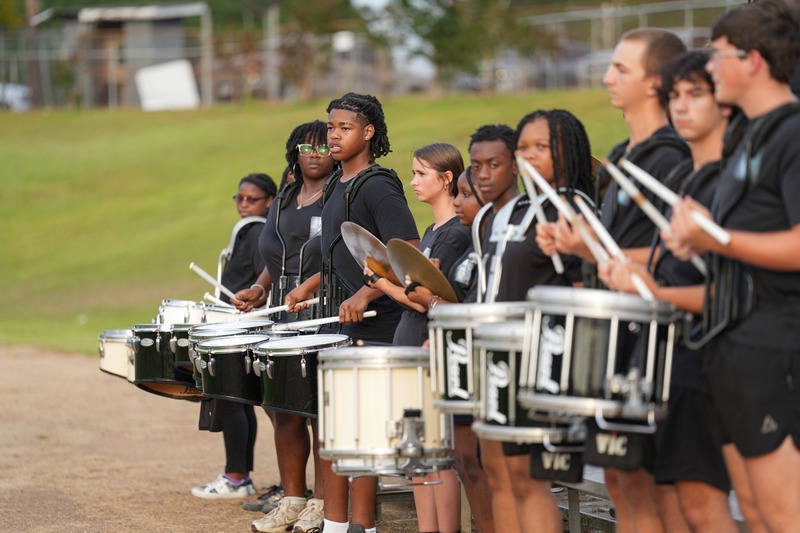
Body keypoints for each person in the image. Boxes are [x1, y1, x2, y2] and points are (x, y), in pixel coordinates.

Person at [544, 27, 689, 533]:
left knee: (652, 489)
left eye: (621, 69)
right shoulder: (625, 155)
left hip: (657, 348)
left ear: (656, 83)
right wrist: (578, 249)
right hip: (619, 341)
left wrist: (590, 247)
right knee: (621, 483)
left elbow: (674, 257)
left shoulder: (671, 157)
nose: (606, 77)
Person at [665, 2, 800, 532]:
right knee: (760, 515)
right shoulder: (749, 137)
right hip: (733, 346)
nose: (709, 67)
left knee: (784, 516)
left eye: (718, 56)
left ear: (754, 60)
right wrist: (699, 240)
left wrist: (717, 238)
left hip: (774, 345)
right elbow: (742, 242)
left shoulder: (792, 133)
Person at [598, 50, 742, 533]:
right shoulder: (686, 176)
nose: (680, 106)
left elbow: (728, 287)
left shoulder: (718, 176)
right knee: (657, 490)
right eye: (677, 95)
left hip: (712, 353)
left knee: (709, 504)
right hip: (666, 350)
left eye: (694, 94)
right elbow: (664, 263)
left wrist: (652, 286)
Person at [285, 92, 420, 533]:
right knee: (335, 433)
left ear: (368, 133)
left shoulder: (378, 185)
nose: (334, 136)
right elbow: (340, 258)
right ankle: (335, 524)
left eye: (344, 128)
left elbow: (408, 257)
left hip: (376, 328)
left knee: (359, 436)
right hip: (336, 325)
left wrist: (365, 295)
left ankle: (363, 527)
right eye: (331, 128)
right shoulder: (336, 187)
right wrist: (306, 287)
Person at [364, 142, 469, 533]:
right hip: (410, 343)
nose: (413, 181)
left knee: (438, 456)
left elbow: (430, 302)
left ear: (446, 179)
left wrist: (384, 284)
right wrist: (380, 281)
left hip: (431, 347)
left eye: (421, 173)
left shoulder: (456, 234)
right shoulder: (431, 231)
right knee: (419, 456)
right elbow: (415, 298)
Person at [234, 121, 334, 533]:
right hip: (281, 315)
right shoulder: (287, 196)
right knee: (284, 409)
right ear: (294, 152)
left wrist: (309, 288)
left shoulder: (341, 195)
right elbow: (274, 258)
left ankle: (325, 504)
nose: (314, 153)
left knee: (318, 413)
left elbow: (350, 256)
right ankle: (293, 499)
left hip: (323, 312)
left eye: (323, 146)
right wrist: (259, 288)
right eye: (306, 147)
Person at [405, 168, 496, 533]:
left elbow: (469, 306)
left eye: (466, 194)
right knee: (461, 460)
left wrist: (430, 298)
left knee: (478, 464)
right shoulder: (470, 242)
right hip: (453, 357)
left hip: (479, 367)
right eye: (456, 194)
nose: (458, 202)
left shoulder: (468, 240)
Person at [190, 173, 277, 500]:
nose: (243, 204)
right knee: (238, 402)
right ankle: (240, 476)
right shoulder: (252, 229)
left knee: (231, 399)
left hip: (242, 325)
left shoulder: (257, 232)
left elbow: (263, 277)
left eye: (251, 199)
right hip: (235, 322)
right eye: (239, 198)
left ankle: (237, 477)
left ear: (269, 200)